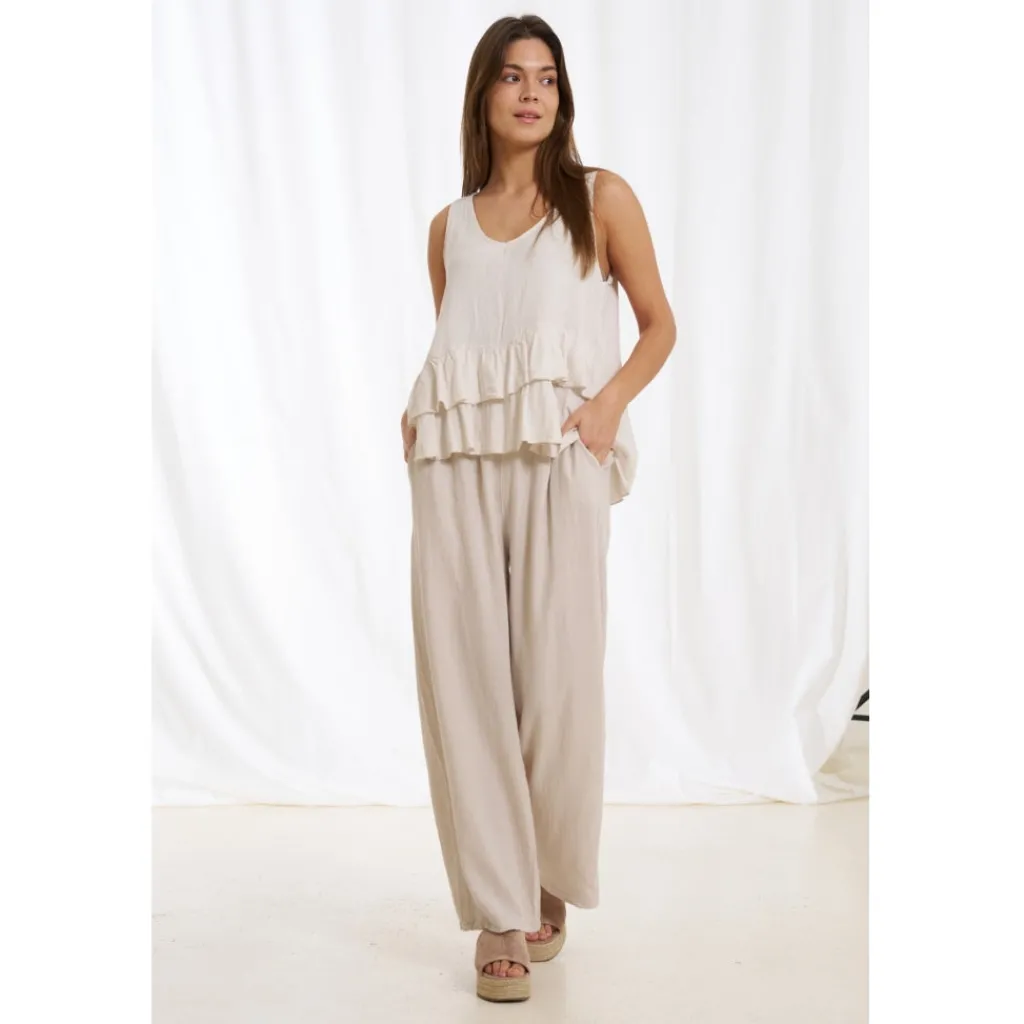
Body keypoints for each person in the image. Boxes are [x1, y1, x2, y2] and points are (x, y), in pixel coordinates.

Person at [400, 14, 676, 1003]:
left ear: (563, 97)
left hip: (562, 457)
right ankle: (499, 910)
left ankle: (548, 867)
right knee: (467, 680)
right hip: (454, 466)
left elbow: (657, 325)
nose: (530, 93)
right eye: (512, 76)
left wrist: (606, 408)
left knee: (557, 682)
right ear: (483, 94)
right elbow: (462, 341)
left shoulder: (600, 199)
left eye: (547, 78)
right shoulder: (450, 226)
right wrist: (419, 411)